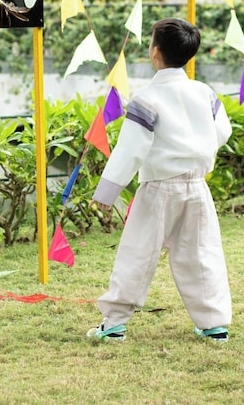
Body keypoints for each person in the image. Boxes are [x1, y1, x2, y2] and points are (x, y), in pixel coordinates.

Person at [87, 18, 233, 343]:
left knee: (138, 252)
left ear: (155, 53)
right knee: (201, 252)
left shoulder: (145, 98)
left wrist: (106, 193)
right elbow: (223, 132)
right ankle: (214, 325)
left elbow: (131, 150)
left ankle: (114, 324)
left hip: (158, 188)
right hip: (197, 185)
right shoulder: (204, 92)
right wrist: (196, 149)